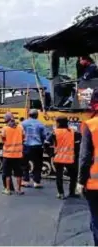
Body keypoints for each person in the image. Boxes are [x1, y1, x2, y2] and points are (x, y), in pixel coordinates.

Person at [78, 88, 98, 246]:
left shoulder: (91, 125)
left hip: (95, 185)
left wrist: (80, 182)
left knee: (96, 220)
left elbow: (84, 158)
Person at [44, 116, 81, 199]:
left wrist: (51, 154)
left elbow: (46, 143)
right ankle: (72, 192)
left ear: (59, 123)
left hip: (58, 158)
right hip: (70, 158)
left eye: (56, 122)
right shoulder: (73, 132)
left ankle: (61, 193)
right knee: (73, 175)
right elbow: (78, 144)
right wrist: (76, 154)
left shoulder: (55, 132)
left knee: (59, 176)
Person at [21, 109, 46, 188]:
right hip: (38, 146)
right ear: (37, 115)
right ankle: (37, 182)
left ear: (29, 115)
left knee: (25, 164)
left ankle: (26, 181)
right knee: (38, 164)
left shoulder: (23, 123)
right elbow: (44, 135)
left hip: (26, 145)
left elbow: (20, 134)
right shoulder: (40, 124)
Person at [1, 112, 24, 195]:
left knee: (7, 173)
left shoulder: (5, 128)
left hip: (7, 155)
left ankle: (7, 190)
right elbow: (23, 137)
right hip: (18, 154)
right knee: (19, 173)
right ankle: (19, 189)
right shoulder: (20, 127)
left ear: (6, 120)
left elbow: (2, 139)